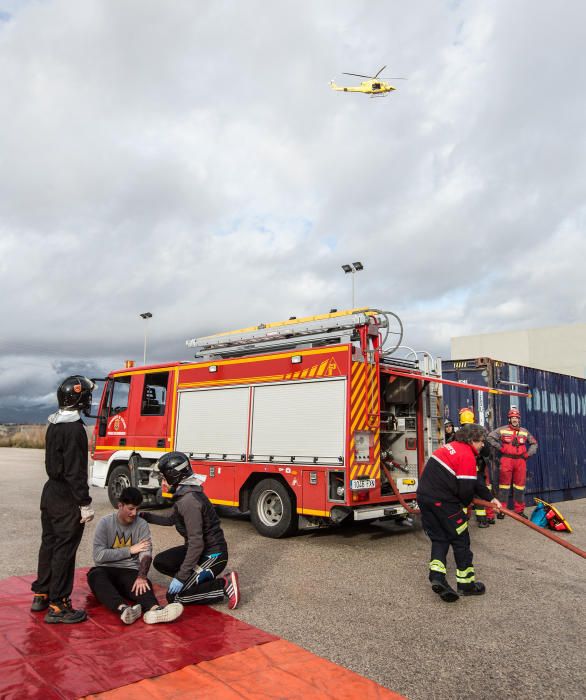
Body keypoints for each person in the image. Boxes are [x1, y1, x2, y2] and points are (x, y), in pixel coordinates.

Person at [31, 376, 96, 624]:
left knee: (49, 544)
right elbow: (75, 471)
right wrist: (84, 502)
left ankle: (41, 593)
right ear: (78, 398)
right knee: (64, 550)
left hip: (50, 492)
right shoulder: (75, 429)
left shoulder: (54, 424)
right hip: (67, 496)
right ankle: (59, 605)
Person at [140, 452, 240, 609]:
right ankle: (194, 582)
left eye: (164, 477)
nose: (162, 481)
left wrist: (181, 577)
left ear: (174, 476)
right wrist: (144, 516)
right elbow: (170, 519)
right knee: (161, 561)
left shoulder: (189, 501)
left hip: (213, 554)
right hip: (202, 551)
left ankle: (224, 584)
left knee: (174, 597)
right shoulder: (186, 492)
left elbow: (196, 544)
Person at [416, 423, 502, 602]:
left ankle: (437, 577)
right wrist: (464, 507)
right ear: (472, 440)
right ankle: (466, 585)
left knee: (440, 538)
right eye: (481, 441)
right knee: (461, 540)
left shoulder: (451, 448)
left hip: (425, 499)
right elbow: (466, 490)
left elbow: (476, 480)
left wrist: (490, 498)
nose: (483, 445)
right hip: (444, 503)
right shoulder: (466, 456)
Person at [87, 487, 184, 624]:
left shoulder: (141, 524)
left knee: (143, 584)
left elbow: (146, 552)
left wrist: (142, 576)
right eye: (131, 508)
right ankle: (124, 610)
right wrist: (130, 550)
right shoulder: (105, 523)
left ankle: (155, 611)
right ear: (120, 505)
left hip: (129, 571)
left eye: (137, 509)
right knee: (95, 576)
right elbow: (98, 555)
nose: (134, 513)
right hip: (106, 569)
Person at [487, 406, 538, 518]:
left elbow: (534, 443)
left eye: (516, 418)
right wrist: (500, 448)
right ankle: (502, 510)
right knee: (504, 486)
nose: (515, 420)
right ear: (509, 419)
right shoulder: (502, 429)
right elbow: (490, 437)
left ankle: (519, 511)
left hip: (520, 461)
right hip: (506, 460)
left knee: (520, 486)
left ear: (519, 419)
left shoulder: (524, 431)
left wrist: (528, 454)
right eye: (512, 417)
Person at [458, 407, 495, 527]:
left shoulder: (458, 436)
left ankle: (462, 520)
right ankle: (482, 520)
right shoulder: (479, 434)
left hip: (463, 471)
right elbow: (487, 451)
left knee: (462, 495)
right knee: (479, 494)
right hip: (476, 470)